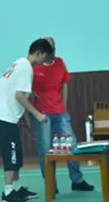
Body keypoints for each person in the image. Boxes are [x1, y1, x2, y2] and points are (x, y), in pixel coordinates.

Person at [0, 38, 54, 202]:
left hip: (7, 115)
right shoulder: (26, 68)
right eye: (44, 57)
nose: (44, 61)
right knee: (11, 154)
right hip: (3, 116)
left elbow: (17, 95)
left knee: (16, 152)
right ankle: (8, 193)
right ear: (38, 53)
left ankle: (16, 188)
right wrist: (37, 115)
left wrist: (25, 120)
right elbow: (19, 96)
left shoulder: (19, 63)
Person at [30, 36, 94, 192]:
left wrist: (63, 105)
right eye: (48, 49)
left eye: (53, 49)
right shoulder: (34, 66)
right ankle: (50, 183)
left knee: (72, 145)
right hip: (42, 113)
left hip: (60, 111)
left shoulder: (60, 62)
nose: (51, 52)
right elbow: (24, 87)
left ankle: (77, 180)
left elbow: (64, 84)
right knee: (45, 149)